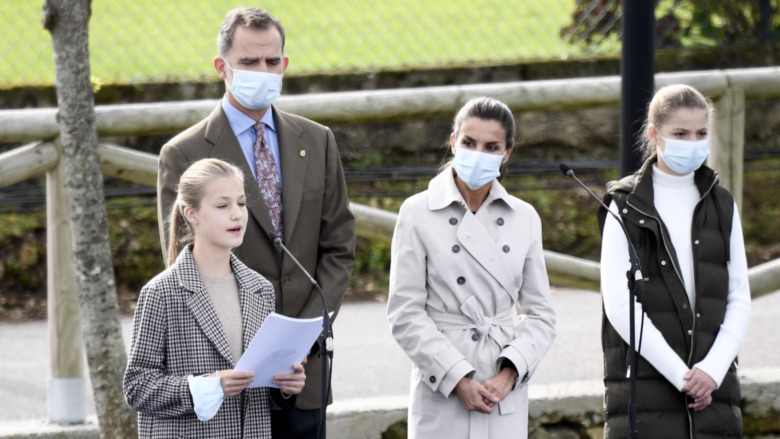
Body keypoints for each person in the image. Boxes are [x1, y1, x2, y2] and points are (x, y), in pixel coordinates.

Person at [156, 8, 356, 438]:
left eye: (272, 62)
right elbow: (182, 263)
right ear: (221, 67)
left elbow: (339, 246)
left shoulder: (317, 141)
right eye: (248, 62)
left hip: (304, 375)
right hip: (227, 375)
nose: (262, 71)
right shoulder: (184, 154)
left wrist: (305, 338)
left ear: (285, 65)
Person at [386, 97, 557, 439]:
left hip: (502, 389)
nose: (478, 153)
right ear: (453, 142)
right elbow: (404, 313)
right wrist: (457, 377)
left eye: (491, 146)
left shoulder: (524, 217)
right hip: (443, 385)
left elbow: (541, 316)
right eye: (469, 143)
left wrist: (510, 373)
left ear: (507, 153)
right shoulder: (417, 212)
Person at [599, 84, 751, 438]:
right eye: (680, 133)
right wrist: (682, 376)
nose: (692, 142)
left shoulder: (722, 203)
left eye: (700, 133)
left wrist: (711, 371)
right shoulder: (623, 205)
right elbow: (620, 305)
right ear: (655, 135)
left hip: (714, 391)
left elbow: (739, 297)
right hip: (647, 387)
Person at [124, 158, 306, 438]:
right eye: (223, 206)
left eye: (242, 203)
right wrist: (207, 386)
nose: (238, 215)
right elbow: (137, 387)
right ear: (191, 214)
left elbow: (258, 389)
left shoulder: (260, 289)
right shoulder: (161, 293)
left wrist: (284, 387)